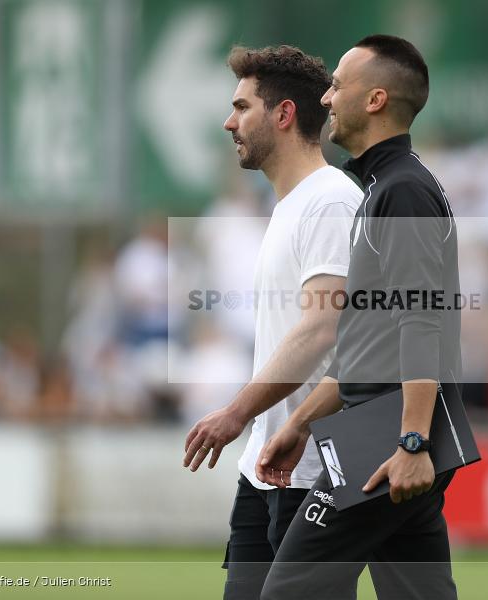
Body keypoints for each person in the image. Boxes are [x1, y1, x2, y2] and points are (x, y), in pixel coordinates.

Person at [255, 35, 462, 600]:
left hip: (389, 436)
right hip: (385, 429)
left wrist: (414, 442)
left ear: (374, 100)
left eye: (337, 86)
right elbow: (366, 348)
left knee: (289, 592)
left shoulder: (404, 191)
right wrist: (299, 424)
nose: (325, 98)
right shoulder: (381, 188)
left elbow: (422, 321)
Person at [182, 45, 362, 600]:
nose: (228, 122)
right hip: (265, 466)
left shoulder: (330, 201)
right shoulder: (288, 206)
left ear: (283, 115)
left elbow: (321, 330)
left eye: (242, 107)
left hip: (314, 472)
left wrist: (235, 412)